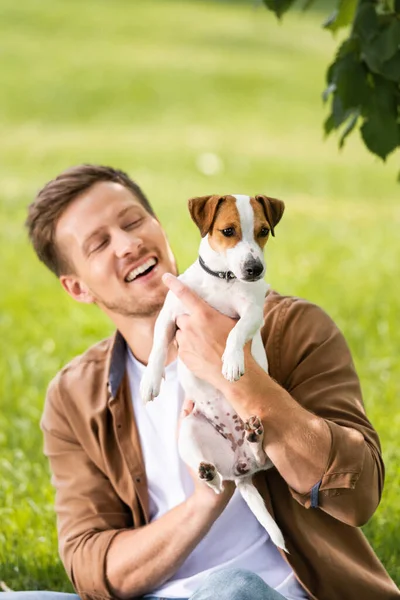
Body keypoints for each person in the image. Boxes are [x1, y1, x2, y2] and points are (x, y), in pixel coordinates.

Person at [6, 164, 399, 600]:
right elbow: (93, 568)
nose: (129, 243)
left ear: (164, 227)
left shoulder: (294, 328)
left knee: (227, 590)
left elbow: (358, 493)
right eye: (99, 244)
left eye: (133, 221)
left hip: (257, 593)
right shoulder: (74, 396)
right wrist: (204, 501)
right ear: (77, 288)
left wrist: (245, 384)